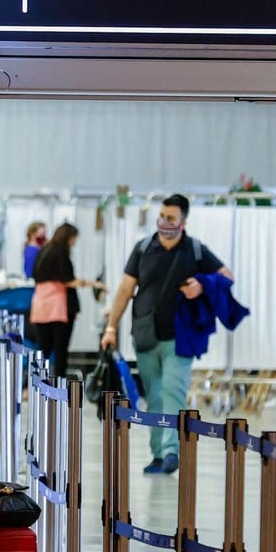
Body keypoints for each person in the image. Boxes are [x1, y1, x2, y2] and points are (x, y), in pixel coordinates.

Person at [100, 194, 232, 475]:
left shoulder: (195, 250)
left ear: (183, 222)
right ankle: (158, 454)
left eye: (170, 218)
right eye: (162, 216)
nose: (164, 222)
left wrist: (202, 284)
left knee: (173, 390)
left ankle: (172, 451)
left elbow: (227, 276)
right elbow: (125, 290)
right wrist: (111, 327)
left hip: (180, 337)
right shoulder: (143, 248)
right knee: (155, 395)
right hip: (146, 334)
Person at [30, 223, 104, 379]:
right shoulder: (60, 254)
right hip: (58, 308)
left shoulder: (44, 251)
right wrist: (92, 283)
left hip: (41, 306)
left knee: (43, 348)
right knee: (60, 348)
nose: (74, 242)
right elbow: (68, 280)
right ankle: (59, 383)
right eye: (74, 238)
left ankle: (32, 383)